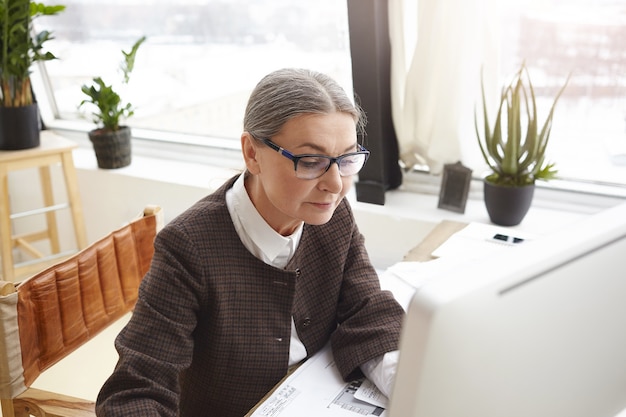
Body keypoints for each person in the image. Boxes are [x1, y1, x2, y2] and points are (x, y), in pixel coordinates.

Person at [95, 68, 405, 417]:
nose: (335, 184)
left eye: (346, 159)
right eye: (311, 161)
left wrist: (415, 388)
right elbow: (135, 391)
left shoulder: (332, 217)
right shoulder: (188, 248)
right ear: (252, 154)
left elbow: (366, 312)